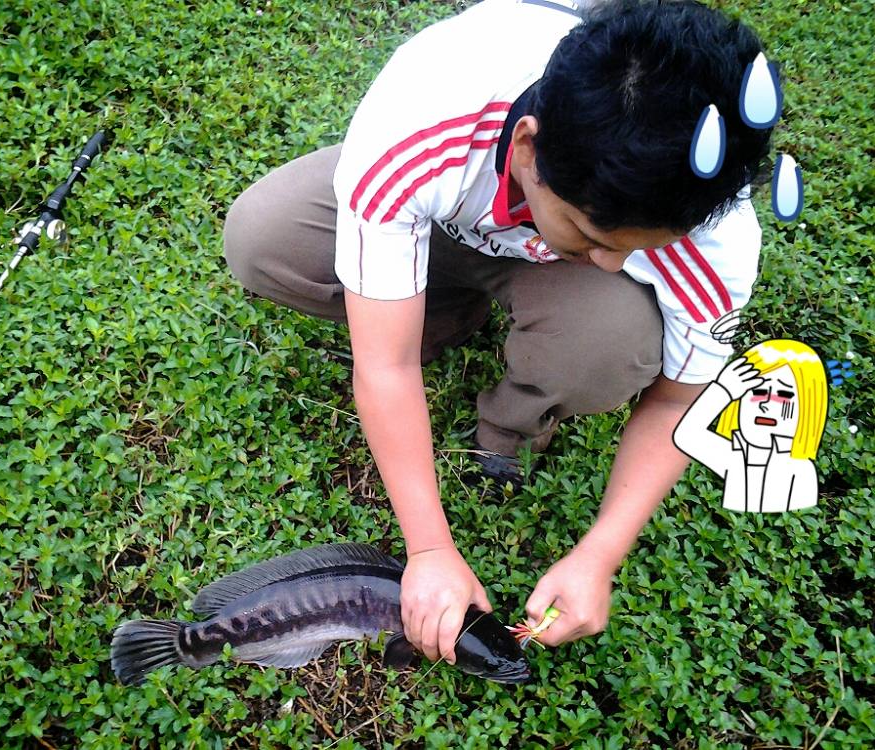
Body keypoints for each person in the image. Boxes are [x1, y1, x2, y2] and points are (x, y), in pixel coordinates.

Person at [223, 0, 773, 666]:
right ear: (526, 148)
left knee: (609, 345)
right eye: (595, 238)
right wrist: (428, 550)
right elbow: (386, 368)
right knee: (262, 237)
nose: (615, 265)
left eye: (641, 249)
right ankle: (438, 308)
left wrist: (600, 553)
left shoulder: (715, 230)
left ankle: (511, 424)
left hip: (532, 255)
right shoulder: (426, 106)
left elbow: (679, 401)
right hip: (446, 200)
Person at [673, 340, 828, 513]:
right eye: (758, 392)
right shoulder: (733, 454)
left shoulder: (800, 469)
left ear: (809, 406)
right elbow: (686, 435)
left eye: (783, 395)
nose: (766, 405)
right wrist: (723, 390)